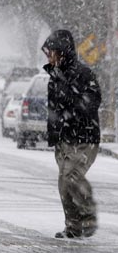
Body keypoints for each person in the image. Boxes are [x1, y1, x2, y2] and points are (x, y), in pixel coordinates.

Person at [41, 29, 101, 239]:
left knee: (72, 177)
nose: (49, 56)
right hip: (64, 140)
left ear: (62, 52)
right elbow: (53, 110)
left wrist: (73, 107)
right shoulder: (54, 77)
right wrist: (54, 135)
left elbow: (93, 101)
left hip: (84, 138)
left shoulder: (83, 74)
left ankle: (88, 216)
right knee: (64, 184)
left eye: (52, 52)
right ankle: (74, 227)